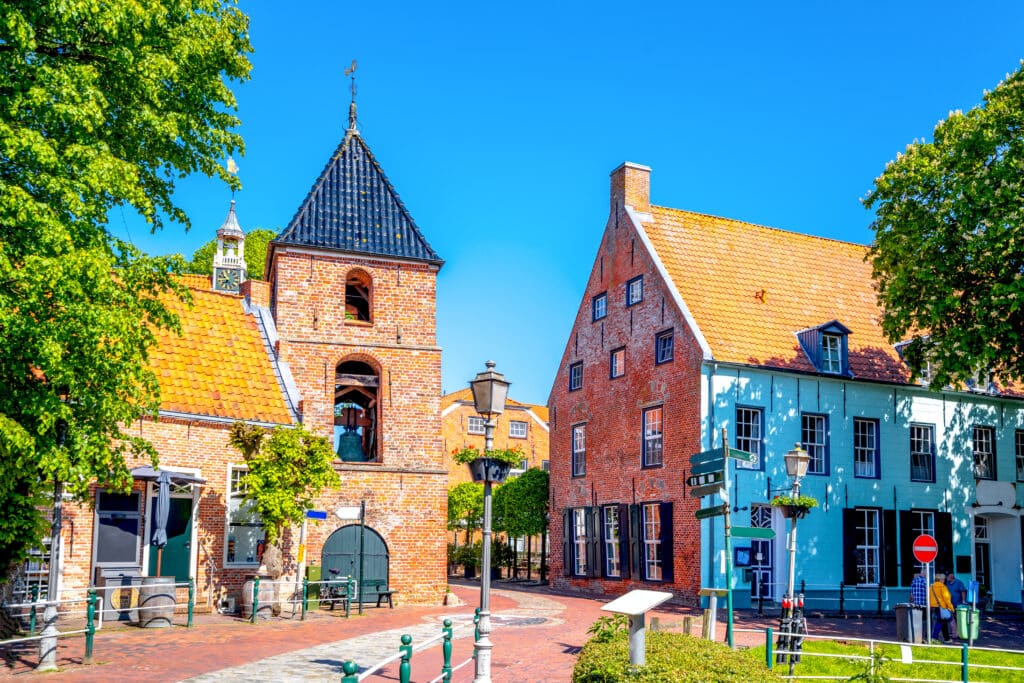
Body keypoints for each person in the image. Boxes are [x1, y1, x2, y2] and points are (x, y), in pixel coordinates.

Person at [930, 572, 954, 643]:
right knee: (940, 622)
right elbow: (946, 599)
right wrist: (951, 608)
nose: (944, 580)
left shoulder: (931, 587)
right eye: (943, 579)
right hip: (942, 608)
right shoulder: (943, 587)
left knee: (944, 623)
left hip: (933, 607)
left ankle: (947, 639)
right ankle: (934, 638)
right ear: (940, 580)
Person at [946, 572, 967, 639]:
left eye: (948, 576)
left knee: (959, 619)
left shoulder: (959, 582)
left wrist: (963, 601)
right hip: (950, 604)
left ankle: (961, 632)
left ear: (952, 576)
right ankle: (954, 633)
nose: (947, 578)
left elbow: (963, 591)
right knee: (951, 619)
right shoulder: (947, 583)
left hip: (958, 604)